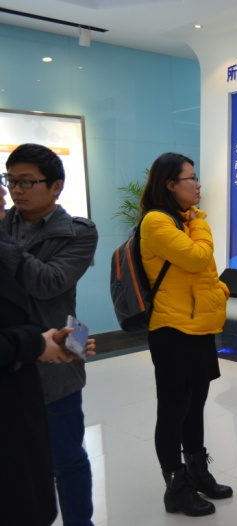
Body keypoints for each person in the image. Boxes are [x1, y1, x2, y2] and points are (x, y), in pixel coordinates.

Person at [1, 143, 99, 526]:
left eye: (27, 181)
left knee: (67, 457)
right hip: (11, 355)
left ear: (56, 186)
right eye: (11, 180)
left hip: (58, 356)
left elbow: (50, 282)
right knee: (20, 460)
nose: (16, 189)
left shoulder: (78, 231)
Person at [139, 152, 232, 517]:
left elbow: (201, 272)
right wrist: (201, 221)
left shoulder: (183, 220)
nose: (197, 184)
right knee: (173, 410)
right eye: (190, 178)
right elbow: (198, 258)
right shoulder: (156, 221)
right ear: (169, 184)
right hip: (172, 330)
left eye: (196, 177)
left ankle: (197, 471)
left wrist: (219, 292)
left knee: (195, 406)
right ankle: (175, 487)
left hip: (199, 326)